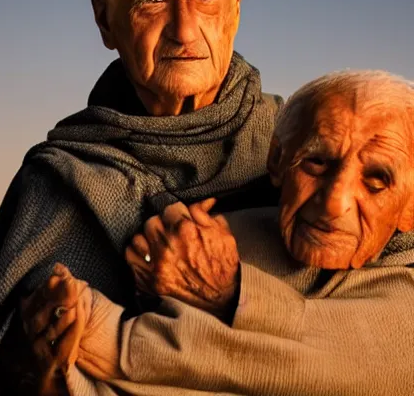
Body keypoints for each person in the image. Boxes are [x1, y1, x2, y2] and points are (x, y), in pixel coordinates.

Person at [0, 0, 283, 396]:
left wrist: (237, 294)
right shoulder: (59, 179)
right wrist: (38, 364)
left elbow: (381, 323)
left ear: (236, 2)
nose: (184, 27)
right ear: (105, 21)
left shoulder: (310, 151)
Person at [22, 70, 414, 395]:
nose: (334, 202)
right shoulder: (225, 233)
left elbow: (356, 365)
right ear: (277, 162)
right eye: (315, 163)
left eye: (376, 180)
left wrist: (227, 294)